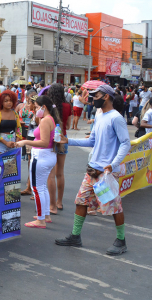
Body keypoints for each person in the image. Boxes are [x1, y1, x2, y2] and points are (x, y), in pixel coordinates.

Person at [56, 84, 131, 256]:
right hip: (93, 170)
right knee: (80, 201)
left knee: (113, 206)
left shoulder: (116, 118)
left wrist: (113, 164)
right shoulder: (99, 115)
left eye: (95, 95)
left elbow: (125, 143)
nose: (92, 98)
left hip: (106, 173)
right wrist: (69, 141)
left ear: (106, 96)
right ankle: (75, 236)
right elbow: (92, 142)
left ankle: (121, 240)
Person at [16, 95, 60, 228]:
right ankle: (45, 215)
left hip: (41, 156)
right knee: (41, 187)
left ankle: (41, 219)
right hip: (46, 155)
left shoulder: (46, 120)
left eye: (36, 107)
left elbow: (44, 142)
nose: (35, 110)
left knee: (37, 188)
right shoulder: (48, 119)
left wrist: (25, 142)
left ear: (43, 107)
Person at [47, 83, 72, 214]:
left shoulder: (49, 107)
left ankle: (51, 205)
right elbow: (68, 124)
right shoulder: (68, 106)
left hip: (50, 140)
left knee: (50, 174)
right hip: (63, 139)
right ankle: (59, 202)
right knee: (60, 173)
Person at [0, 90, 22, 155]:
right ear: (1, 102)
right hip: (1, 143)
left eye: (10, 100)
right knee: (1, 164)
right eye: (6, 101)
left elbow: (19, 128)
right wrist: (6, 142)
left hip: (13, 143)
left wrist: (16, 142)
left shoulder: (15, 114)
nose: (9, 103)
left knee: (11, 164)